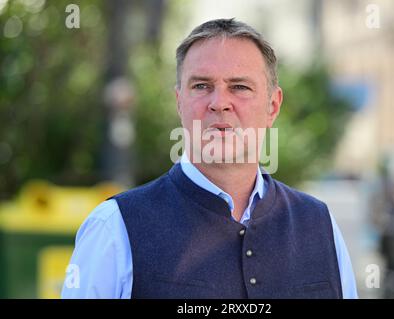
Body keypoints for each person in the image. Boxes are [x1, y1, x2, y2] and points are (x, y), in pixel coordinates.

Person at [61, 18, 358, 299]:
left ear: (273, 105)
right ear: (180, 103)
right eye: (201, 86)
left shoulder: (320, 226)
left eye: (239, 87)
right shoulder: (114, 228)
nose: (219, 103)